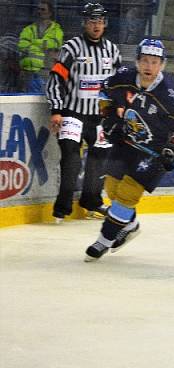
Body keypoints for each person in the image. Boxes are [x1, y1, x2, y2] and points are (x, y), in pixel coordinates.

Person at [83, 38, 174, 261]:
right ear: (137, 62)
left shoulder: (171, 94)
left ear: (162, 65)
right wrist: (108, 119)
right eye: (145, 61)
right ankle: (131, 224)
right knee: (112, 188)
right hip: (127, 141)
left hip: (155, 152)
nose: (149, 66)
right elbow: (104, 92)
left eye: (155, 62)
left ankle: (103, 242)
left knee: (127, 194)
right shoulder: (123, 78)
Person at [46, 3, 120, 223]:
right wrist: (56, 110)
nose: (96, 26)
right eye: (92, 21)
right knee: (71, 160)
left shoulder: (112, 51)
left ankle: (92, 202)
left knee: (99, 159)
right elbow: (55, 80)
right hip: (72, 114)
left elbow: (118, 84)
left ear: (105, 23)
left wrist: (117, 109)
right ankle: (62, 209)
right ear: (84, 23)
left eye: (100, 21)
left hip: (100, 118)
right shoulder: (71, 48)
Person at [18, 1, 63, 94]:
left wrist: (33, 43)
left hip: (45, 72)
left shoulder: (56, 30)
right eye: (38, 9)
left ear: (50, 12)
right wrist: (42, 46)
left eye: (43, 9)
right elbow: (22, 45)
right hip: (27, 72)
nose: (39, 12)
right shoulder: (28, 29)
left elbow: (54, 45)